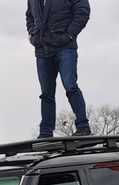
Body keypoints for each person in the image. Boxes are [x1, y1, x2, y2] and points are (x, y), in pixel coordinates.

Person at [26, 0, 91, 138]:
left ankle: (83, 126)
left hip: (65, 47)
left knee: (70, 86)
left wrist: (69, 35)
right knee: (46, 93)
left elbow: (83, 11)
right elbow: (29, 16)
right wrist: (33, 34)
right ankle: (46, 132)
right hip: (42, 50)